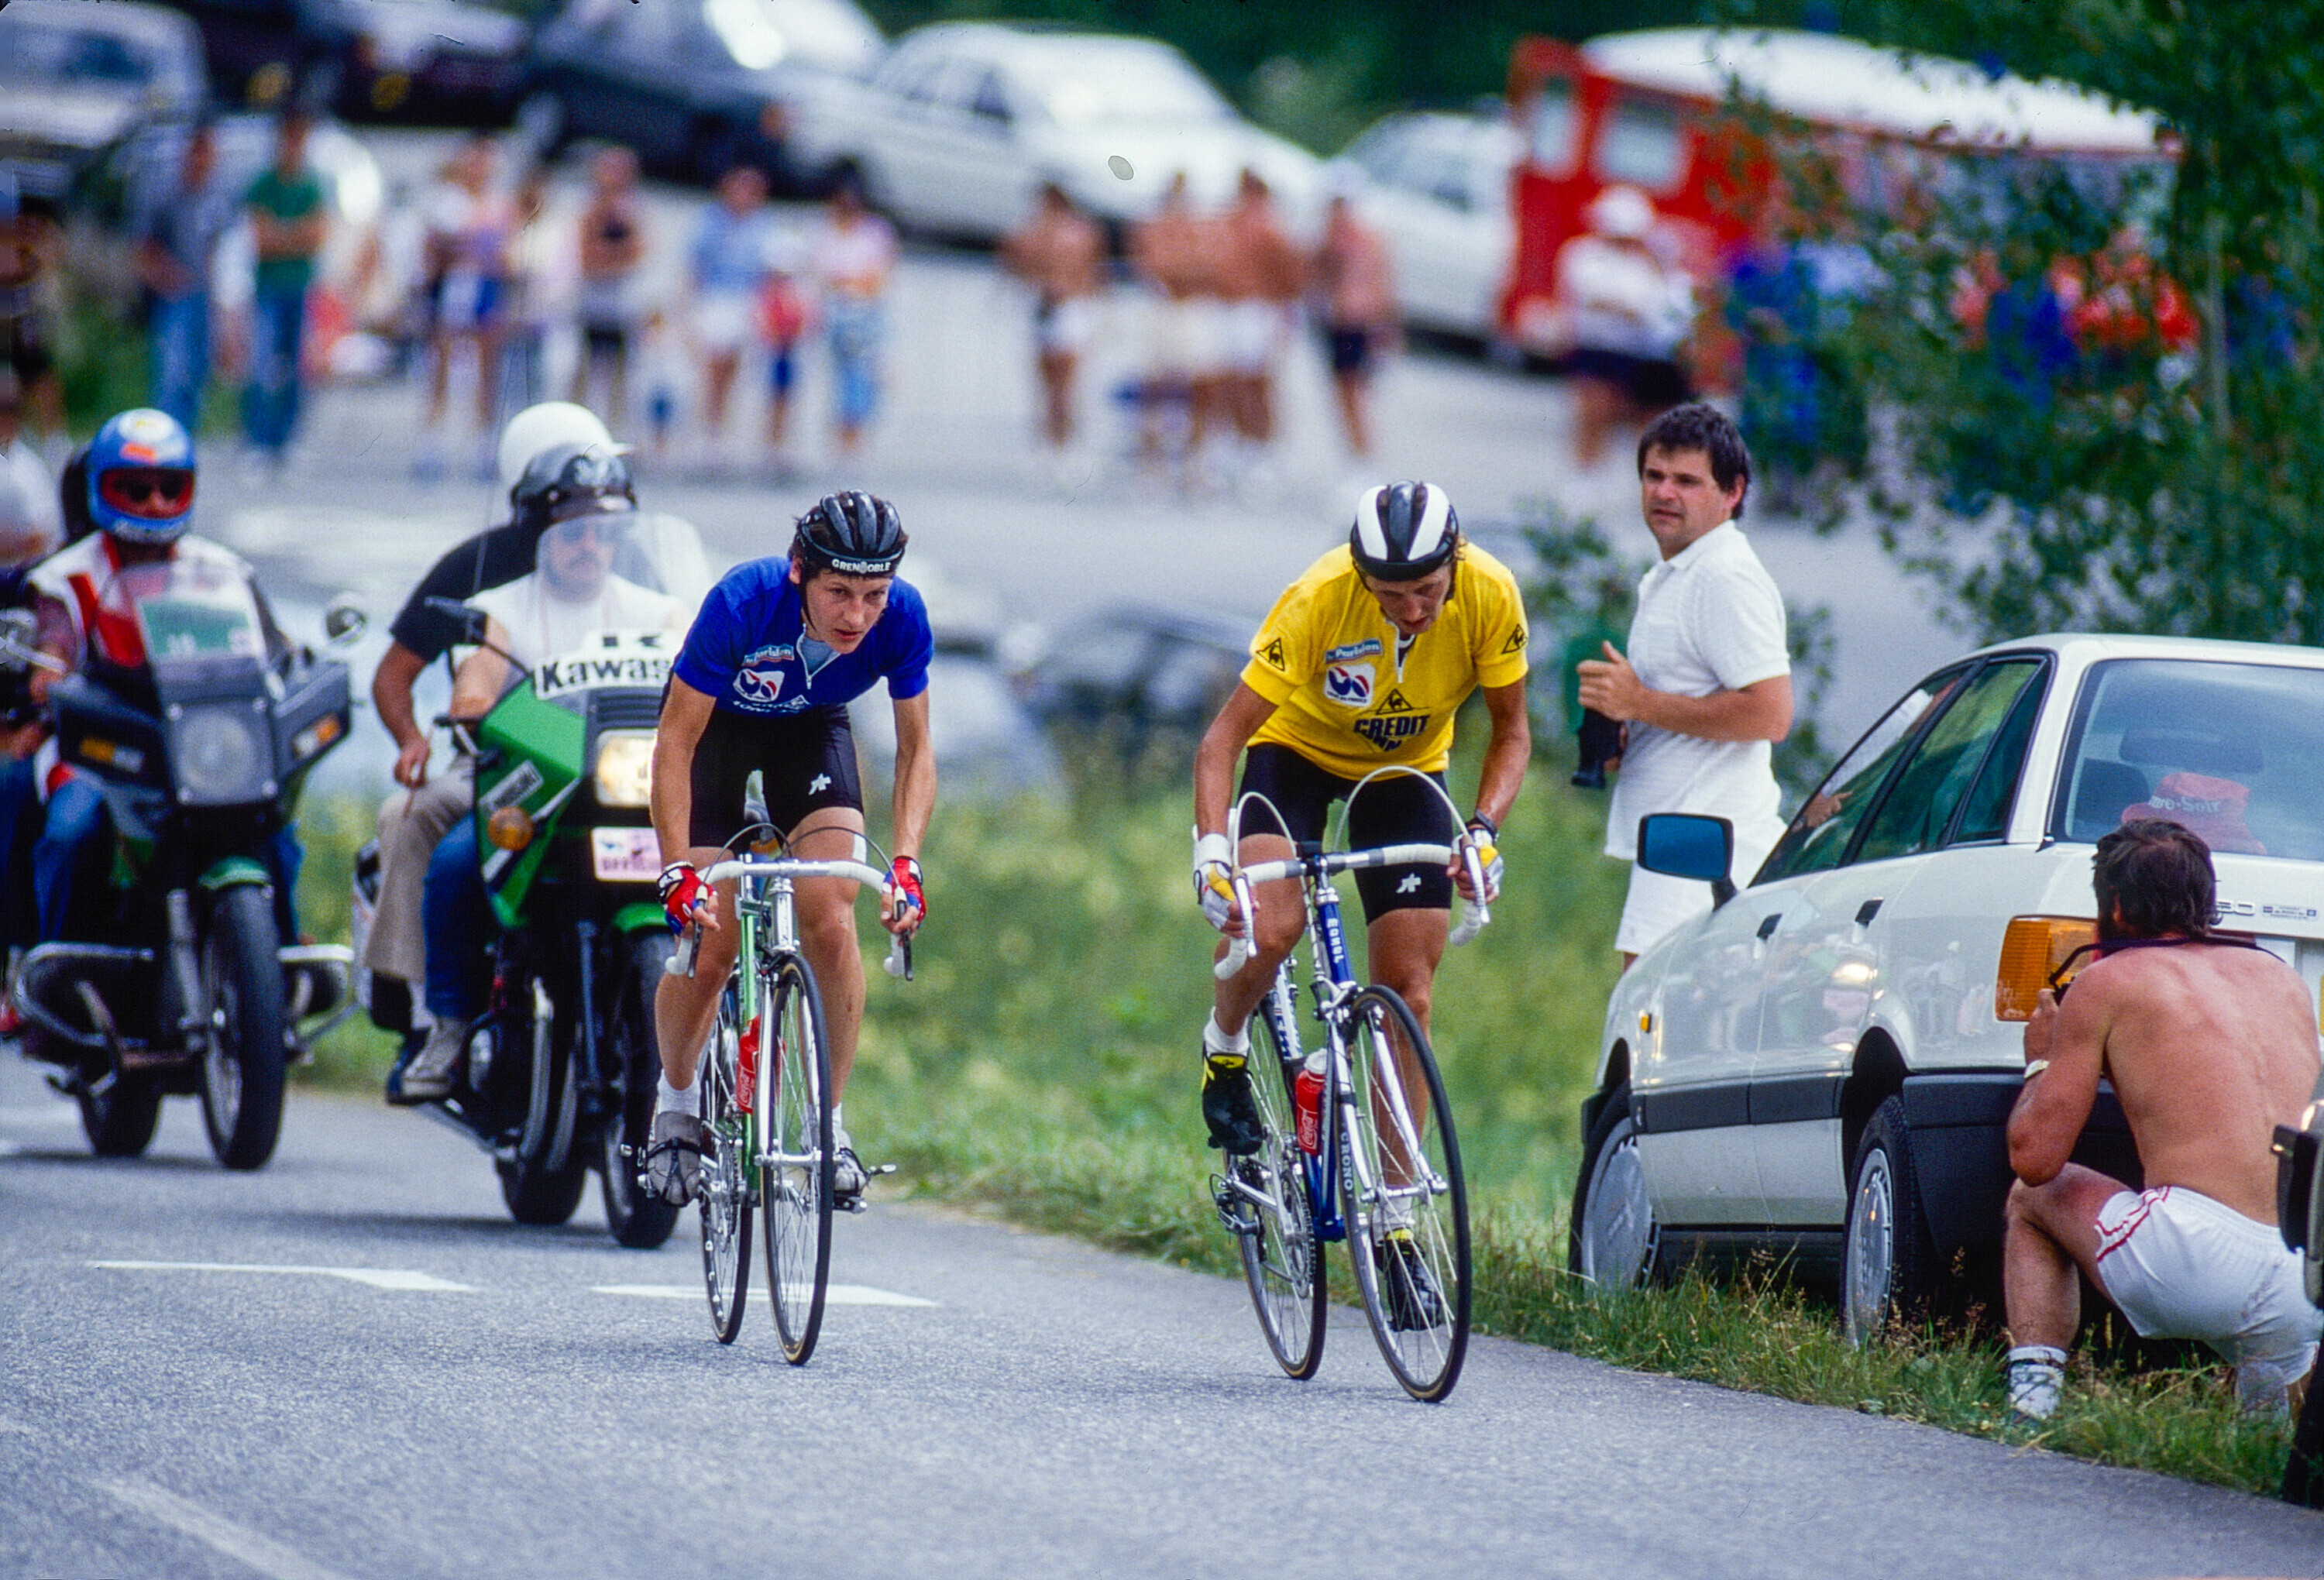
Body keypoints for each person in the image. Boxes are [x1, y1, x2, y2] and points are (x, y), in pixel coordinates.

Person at [1189, 484, 1528, 1229]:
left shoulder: (1492, 593)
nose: (1412, 610)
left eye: (1428, 592)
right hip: (1296, 755)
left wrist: (1483, 830)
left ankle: (1397, 1217)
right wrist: (1213, 854)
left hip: (1405, 774)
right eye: (1391, 595)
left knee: (1408, 994)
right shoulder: (1317, 599)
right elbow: (1222, 742)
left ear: (1456, 562)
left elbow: (1511, 731)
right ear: (1360, 576)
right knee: (1270, 929)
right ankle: (1226, 1044)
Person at [643, 493, 932, 1207]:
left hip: (809, 729)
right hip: (715, 736)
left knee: (831, 913)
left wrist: (906, 863)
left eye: (873, 594)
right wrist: (677, 868)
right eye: (838, 592)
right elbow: (675, 744)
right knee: (707, 943)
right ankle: (676, 1103)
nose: (856, 616)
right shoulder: (742, 601)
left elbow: (917, 750)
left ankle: (829, 1127)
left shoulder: (904, 618)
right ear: (799, 572)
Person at [394, 445, 688, 1101]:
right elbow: (474, 688)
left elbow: (702, 682)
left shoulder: (659, 612)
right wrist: (473, 703)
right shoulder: (504, 607)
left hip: (631, 793)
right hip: (538, 789)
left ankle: (722, 1034)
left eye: (605, 533)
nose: (590, 546)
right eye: (572, 532)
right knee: (455, 863)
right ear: (538, 534)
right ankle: (448, 1024)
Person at [2003, 819, 2323, 1422]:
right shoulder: (2283, 980)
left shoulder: (2105, 982)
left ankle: (2032, 1408)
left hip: (2193, 1257)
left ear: (2116, 909)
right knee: (2264, 1374)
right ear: (2207, 902)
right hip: (2305, 1264)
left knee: (2030, 1198)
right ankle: (2257, 1429)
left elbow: (2035, 1157)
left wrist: (2041, 1060)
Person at [365, 401, 620, 1087]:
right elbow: (407, 675)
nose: (589, 538)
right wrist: (416, 735)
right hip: (511, 765)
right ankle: (426, 1014)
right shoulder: (487, 585)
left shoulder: (643, 585)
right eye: (569, 516)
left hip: (623, 770)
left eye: (603, 519)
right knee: (425, 831)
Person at [20, 410, 301, 946]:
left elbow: (276, 649)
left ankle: (282, 975)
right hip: (105, 752)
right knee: (71, 831)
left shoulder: (223, 570)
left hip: (209, 749)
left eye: (169, 487)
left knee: (277, 833)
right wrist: (46, 675)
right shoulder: (63, 577)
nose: (154, 503)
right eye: (135, 488)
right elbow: (52, 646)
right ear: (101, 488)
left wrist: (298, 663)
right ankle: (55, 980)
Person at [1578, 402, 1791, 969]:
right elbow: (1699, 702)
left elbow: (1770, 714)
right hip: (1678, 843)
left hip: (1703, 851)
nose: (1664, 493)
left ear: (1733, 492)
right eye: (1654, 476)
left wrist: (1641, 702)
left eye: (1687, 481)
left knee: (1648, 1038)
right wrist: (1628, 730)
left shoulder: (1724, 576)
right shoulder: (1678, 572)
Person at [1552, 185, 1695, 472]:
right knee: (1592, 415)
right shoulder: (1584, 254)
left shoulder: (1643, 265)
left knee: (1631, 424)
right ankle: (1584, 477)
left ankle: (1602, 478)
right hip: (1593, 347)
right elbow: (1591, 295)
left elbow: (1645, 307)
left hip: (1631, 352)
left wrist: (1619, 305)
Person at [416, 134, 514, 479]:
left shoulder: (498, 204)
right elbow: (434, 250)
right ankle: (432, 443)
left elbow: (507, 254)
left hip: (485, 287)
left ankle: (484, 445)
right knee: (442, 365)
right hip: (454, 286)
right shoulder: (446, 200)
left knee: (487, 369)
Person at [134, 122, 237, 432]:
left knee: (197, 371)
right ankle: (164, 432)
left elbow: (220, 246)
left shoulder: (217, 196)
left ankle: (185, 435)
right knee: (171, 372)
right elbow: (141, 247)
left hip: (204, 296)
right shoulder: (165, 193)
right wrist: (166, 276)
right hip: (173, 297)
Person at [242, 109, 328, 472]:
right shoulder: (263, 183)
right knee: (262, 364)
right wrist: (295, 236)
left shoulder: (312, 185)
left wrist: (282, 234)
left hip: (300, 286)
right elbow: (260, 240)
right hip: (268, 287)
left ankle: (287, 439)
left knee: (296, 366)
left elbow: (318, 236)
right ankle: (258, 439)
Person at [1001, 183, 1106, 455]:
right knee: (1046, 383)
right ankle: (1049, 445)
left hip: (1070, 307)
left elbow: (1092, 272)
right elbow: (1014, 264)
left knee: (1066, 383)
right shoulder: (1031, 230)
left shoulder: (1079, 231)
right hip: (1042, 305)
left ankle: (1066, 443)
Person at [1215, 169, 1306, 460]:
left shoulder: (1270, 227)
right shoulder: (1231, 222)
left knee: (1258, 384)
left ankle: (1261, 448)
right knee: (1234, 382)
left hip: (1258, 310)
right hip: (1233, 309)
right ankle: (1243, 444)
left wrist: (1281, 313)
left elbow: (1292, 277)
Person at [689, 164, 776, 463]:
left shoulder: (763, 225)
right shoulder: (712, 222)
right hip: (717, 298)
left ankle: (724, 432)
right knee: (714, 368)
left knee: (734, 370)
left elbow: (767, 270)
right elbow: (696, 267)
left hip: (746, 300)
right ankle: (710, 431)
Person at [808, 179, 899, 459]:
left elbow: (878, 277)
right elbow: (823, 276)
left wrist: (849, 281)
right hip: (837, 314)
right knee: (843, 379)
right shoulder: (823, 232)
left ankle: (855, 439)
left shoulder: (875, 232)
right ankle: (843, 439)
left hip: (866, 315)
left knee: (863, 378)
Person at [1312, 191, 1397, 460]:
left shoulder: (1365, 240)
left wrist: (1385, 327)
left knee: (1354, 392)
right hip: (1338, 324)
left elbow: (1383, 285)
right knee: (1344, 394)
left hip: (1357, 324)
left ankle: (1363, 456)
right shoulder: (1330, 239)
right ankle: (1355, 455)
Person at [571, 147, 648, 425]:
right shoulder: (590, 207)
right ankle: (576, 426)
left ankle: (616, 428)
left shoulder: (635, 209)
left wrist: (612, 257)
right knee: (583, 370)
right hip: (592, 302)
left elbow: (640, 252)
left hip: (622, 305)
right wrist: (616, 257)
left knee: (620, 374)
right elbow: (586, 257)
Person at [1, 175, 66, 461]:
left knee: (40, 376)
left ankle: (53, 440)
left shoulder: (29, 235)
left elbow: (52, 254)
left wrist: (34, 253)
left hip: (21, 321)